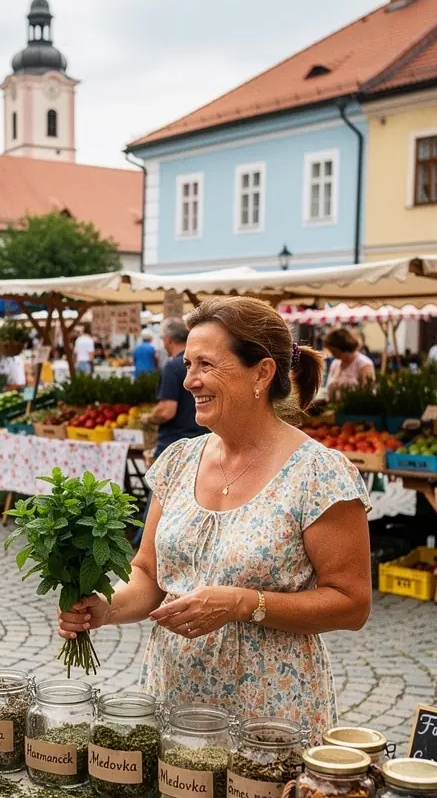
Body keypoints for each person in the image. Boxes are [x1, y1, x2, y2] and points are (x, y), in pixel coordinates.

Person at [59, 297, 371, 741]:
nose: (188, 381)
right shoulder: (179, 461)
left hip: (272, 711)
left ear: (261, 373)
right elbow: (148, 573)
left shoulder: (319, 474)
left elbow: (352, 603)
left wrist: (244, 603)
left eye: (205, 364)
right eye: (187, 364)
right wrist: (102, 609)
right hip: (176, 701)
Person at [134, 319, 208, 545]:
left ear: (167, 339)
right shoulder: (203, 364)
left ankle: (145, 546)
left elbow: (167, 410)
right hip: (203, 439)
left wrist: (149, 418)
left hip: (174, 443)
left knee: (160, 496)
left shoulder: (174, 366)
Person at [323, 326, 375, 401]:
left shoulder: (364, 364)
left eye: (334, 351)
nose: (332, 353)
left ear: (344, 348)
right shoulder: (335, 364)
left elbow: (367, 394)